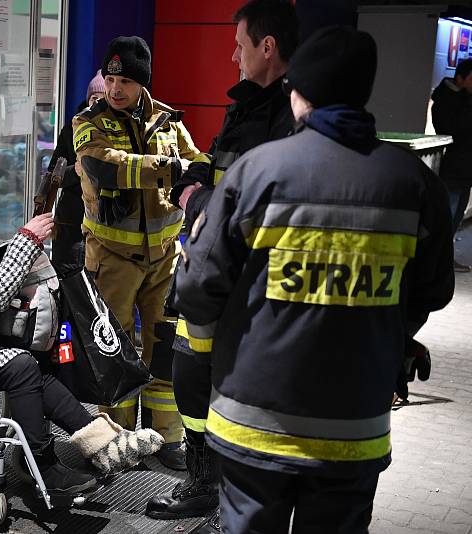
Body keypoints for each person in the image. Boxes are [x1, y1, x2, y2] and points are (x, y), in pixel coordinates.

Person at [173, 27, 454, 534]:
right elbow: (433, 292)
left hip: (256, 424)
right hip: (356, 428)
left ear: (300, 92)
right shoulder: (415, 184)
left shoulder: (259, 172)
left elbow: (197, 289)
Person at [0, 146, 163, 496]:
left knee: (35, 358)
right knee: (22, 366)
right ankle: (42, 464)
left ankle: (103, 444)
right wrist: (27, 241)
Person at [147, 0, 298, 525]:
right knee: (191, 374)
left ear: (267, 47)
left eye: (239, 46)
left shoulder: (289, 118)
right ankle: (202, 482)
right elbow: (223, 172)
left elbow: (258, 203)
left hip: (248, 282)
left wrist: (199, 202)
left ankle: (231, 502)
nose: (233, 57)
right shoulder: (247, 107)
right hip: (209, 272)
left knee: (237, 395)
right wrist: (195, 180)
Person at [72, 36, 210, 471]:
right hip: (112, 259)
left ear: (142, 83)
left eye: (124, 81)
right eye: (110, 79)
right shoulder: (88, 121)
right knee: (115, 352)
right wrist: (170, 170)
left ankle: (168, 437)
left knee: (164, 349)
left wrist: (202, 169)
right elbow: (103, 162)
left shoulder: (168, 122)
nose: (114, 89)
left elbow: (197, 161)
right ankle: (116, 440)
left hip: (165, 259)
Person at [48, 70, 106, 274]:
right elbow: (52, 176)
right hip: (71, 225)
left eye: (103, 99)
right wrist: (78, 170)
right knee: (68, 284)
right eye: (94, 98)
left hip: (105, 228)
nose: (96, 104)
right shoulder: (70, 130)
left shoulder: (120, 135)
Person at [431, 57, 472, 272]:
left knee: (456, 216)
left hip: (466, 169)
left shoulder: (464, 99)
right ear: (460, 78)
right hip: (455, 167)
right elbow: (450, 129)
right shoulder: (446, 100)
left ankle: (444, 259)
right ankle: (436, 260)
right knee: (447, 216)